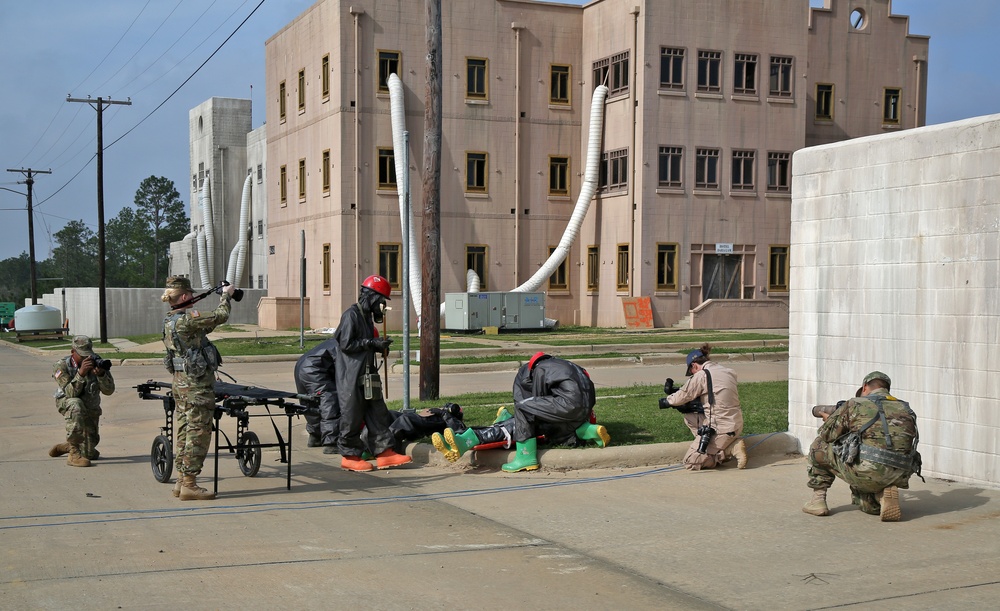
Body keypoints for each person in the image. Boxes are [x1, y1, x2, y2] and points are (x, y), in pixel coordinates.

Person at [803, 371, 922, 522]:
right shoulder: (905, 408)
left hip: (867, 469)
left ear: (865, 387)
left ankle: (818, 500)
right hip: (900, 473)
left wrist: (829, 420)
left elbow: (828, 435)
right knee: (864, 502)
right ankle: (881, 496)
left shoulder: (854, 404)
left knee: (819, 444)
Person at [161, 276, 236, 501]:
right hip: (196, 386)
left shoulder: (171, 320)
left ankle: (181, 481)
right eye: (190, 295)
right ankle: (190, 485)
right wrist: (226, 295)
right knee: (199, 432)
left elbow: (205, 327)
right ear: (184, 296)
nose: (193, 297)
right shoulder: (187, 320)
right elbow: (220, 316)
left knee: (185, 430)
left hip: (181, 384)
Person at [334, 275, 412, 472]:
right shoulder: (351, 315)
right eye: (381, 301)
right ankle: (350, 456)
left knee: (378, 412)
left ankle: (385, 452)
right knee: (352, 416)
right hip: (351, 376)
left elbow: (364, 345)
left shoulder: (367, 318)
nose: (382, 306)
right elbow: (346, 344)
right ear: (371, 297)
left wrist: (379, 347)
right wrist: (371, 343)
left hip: (368, 375)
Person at [499, 352, 609, 473]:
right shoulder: (568, 365)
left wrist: (530, 426)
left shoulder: (540, 368)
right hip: (586, 406)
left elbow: (538, 397)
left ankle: (525, 457)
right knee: (559, 421)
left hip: (569, 404)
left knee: (523, 407)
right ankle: (584, 430)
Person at [664, 344, 747, 470]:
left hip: (720, 428)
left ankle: (728, 450)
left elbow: (683, 395)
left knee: (690, 462)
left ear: (694, 365)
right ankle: (715, 446)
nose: (692, 374)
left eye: (691, 371)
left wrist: (666, 401)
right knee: (690, 417)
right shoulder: (728, 371)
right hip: (735, 423)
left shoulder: (702, 375)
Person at [431, 404, 606, 464]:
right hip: (526, 421)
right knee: (496, 428)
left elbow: (591, 430)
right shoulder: (568, 418)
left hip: (529, 429)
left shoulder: (570, 425)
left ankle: (461, 443)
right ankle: (456, 442)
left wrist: (597, 432)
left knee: (499, 431)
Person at [49, 335, 115, 466]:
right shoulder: (61, 366)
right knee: (75, 403)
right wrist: (81, 373)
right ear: (72, 352)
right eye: (82, 355)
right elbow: (70, 393)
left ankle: (68, 446)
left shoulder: (96, 361)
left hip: (90, 407)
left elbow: (109, 391)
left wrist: (101, 375)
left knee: (90, 454)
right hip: (68, 403)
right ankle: (73, 453)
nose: (87, 358)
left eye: (88, 354)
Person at [294, 338, 341, 453]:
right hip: (314, 369)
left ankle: (315, 436)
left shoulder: (337, 339)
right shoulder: (347, 345)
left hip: (302, 364)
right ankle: (331, 442)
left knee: (311, 402)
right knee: (330, 401)